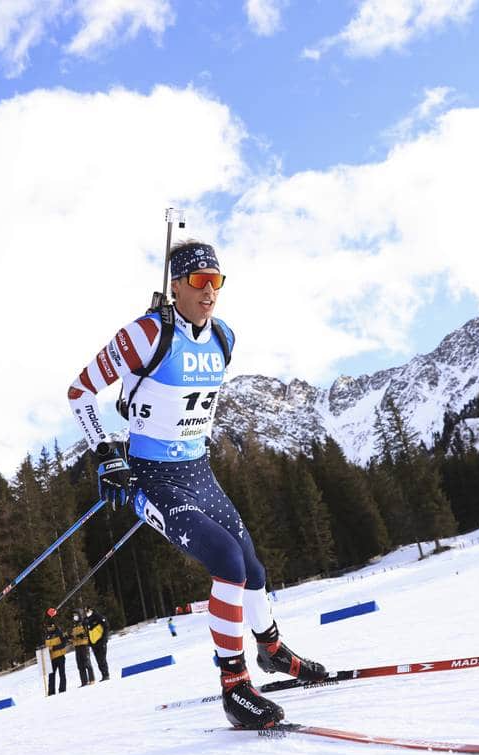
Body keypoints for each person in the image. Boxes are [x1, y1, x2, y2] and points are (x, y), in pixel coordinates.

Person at [67, 238, 327, 729]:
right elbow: (80, 392)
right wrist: (107, 454)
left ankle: (271, 651)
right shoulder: (146, 333)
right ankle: (235, 688)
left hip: (200, 472)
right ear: (176, 286)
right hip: (153, 479)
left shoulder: (225, 337)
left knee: (252, 566)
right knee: (226, 562)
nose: (210, 291)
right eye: (198, 281)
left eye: (216, 281)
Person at [84, 606, 110, 681]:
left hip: (101, 641)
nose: (87, 612)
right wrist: (89, 642)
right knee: (98, 660)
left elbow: (106, 627)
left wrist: (104, 639)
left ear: (92, 610)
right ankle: (103, 674)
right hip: (93, 643)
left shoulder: (98, 617)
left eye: (88, 611)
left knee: (102, 659)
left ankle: (106, 675)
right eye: (85, 611)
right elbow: (88, 632)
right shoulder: (87, 620)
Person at [43, 618, 68, 695]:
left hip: (60, 656)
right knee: (51, 676)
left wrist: (53, 648)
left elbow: (63, 644)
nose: (48, 628)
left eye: (49, 627)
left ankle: (62, 689)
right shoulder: (47, 635)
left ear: (53, 626)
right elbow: (46, 645)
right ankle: (51, 692)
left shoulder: (59, 632)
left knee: (62, 673)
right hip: (51, 658)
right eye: (47, 627)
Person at [69, 612, 95, 686]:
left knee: (87, 662)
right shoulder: (73, 626)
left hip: (84, 645)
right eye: (74, 616)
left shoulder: (84, 623)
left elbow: (88, 632)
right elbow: (72, 635)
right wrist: (71, 637)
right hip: (77, 646)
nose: (75, 617)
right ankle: (84, 681)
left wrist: (83, 635)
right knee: (80, 665)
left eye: (76, 616)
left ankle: (91, 679)